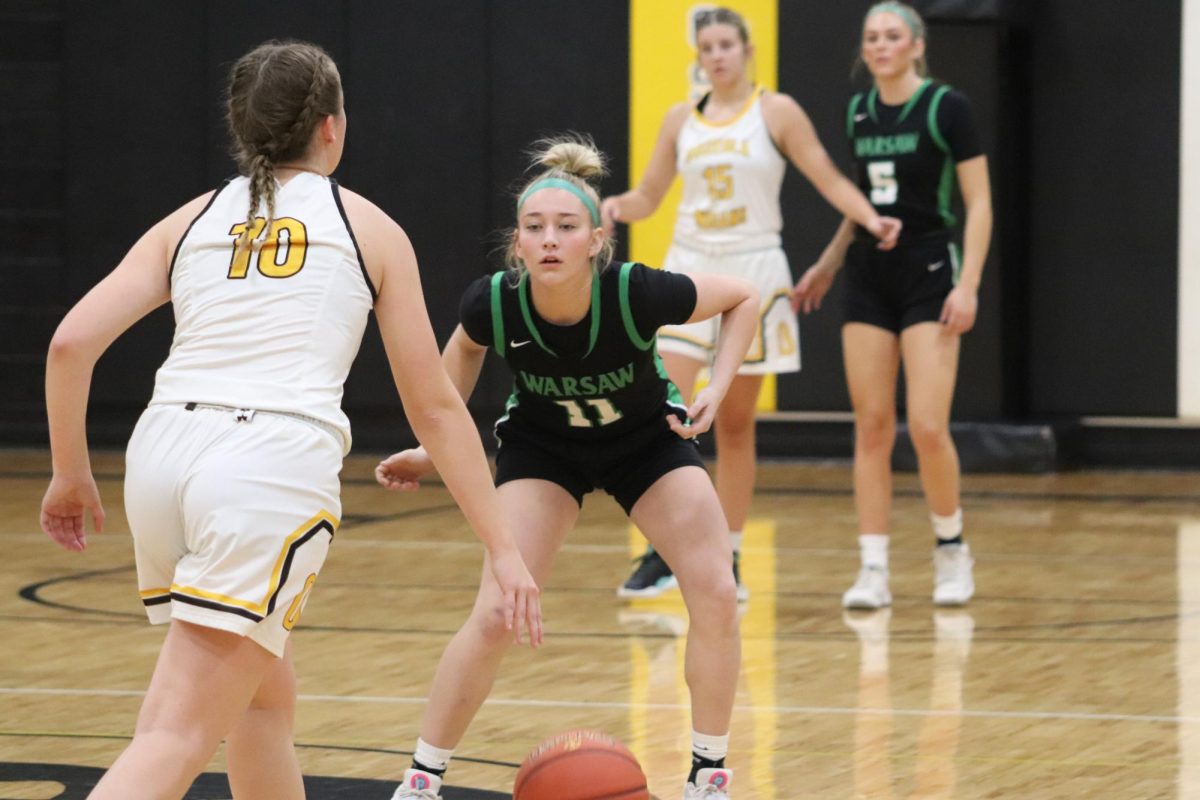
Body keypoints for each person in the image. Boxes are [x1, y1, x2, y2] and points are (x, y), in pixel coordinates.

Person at [38, 39, 541, 800]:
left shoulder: (188, 221)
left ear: (242, 126)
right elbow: (434, 405)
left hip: (162, 454)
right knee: (172, 735)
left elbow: (71, 344)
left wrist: (71, 473)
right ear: (332, 127)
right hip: (267, 464)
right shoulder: (368, 228)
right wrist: (503, 546)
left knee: (264, 702)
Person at [376, 135, 758, 800]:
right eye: (534, 228)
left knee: (717, 589)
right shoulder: (492, 302)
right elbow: (461, 356)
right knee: (497, 612)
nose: (549, 239)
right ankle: (421, 777)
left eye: (565, 227)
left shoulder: (637, 292)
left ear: (595, 241)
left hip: (646, 441)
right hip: (544, 447)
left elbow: (744, 297)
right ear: (517, 245)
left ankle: (708, 775)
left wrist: (719, 388)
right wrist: (429, 446)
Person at [601, 6, 901, 602]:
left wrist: (869, 218)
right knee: (666, 414)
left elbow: (827, 177)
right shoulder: (680, 118)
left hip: (754, 273)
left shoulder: (776, 111)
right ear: (699, 56)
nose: (716, 55)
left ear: (747, 50)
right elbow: (649, 195)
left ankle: (728, 554)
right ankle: (663, 550)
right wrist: (609, 209)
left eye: (725, 45)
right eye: (706, 46)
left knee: (736, 426)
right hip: (689, 273)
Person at [792, 1, 993, 609]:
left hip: (930, 270)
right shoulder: (859, 112)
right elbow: (861, 209)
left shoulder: (946, 107)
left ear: (916, 44)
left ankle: (951, 547)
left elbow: (979, 202)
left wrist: (969, 284)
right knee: (872, 424)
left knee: (928, 426)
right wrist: (828, 263)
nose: (880, 45)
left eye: (891, 36)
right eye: (871, 37)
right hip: (868, 275)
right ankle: (873, 567)